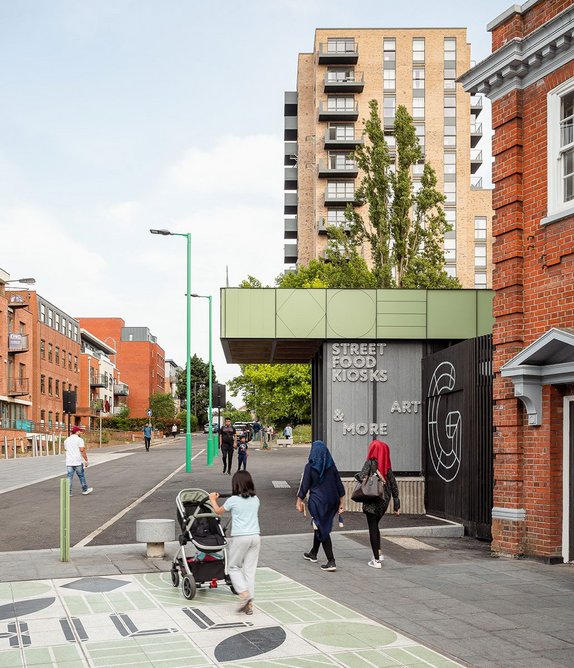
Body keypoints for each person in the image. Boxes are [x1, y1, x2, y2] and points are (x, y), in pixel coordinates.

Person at [209, 471, 260, 615]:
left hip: (240, 537)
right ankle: (249, 605)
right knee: (249, 570)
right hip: (255, 537)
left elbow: (218, 511)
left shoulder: (233, 500)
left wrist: (212, 499)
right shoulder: (256, 499)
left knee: (233, 567)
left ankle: (244, 595)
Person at [296, 440, 345, 572]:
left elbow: (305, 485)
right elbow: (339, 485)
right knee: (319, 524)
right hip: (332, 501)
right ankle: (313, 553)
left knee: (321, 527)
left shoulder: (310, 467)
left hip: (318, 502)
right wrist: (341, 502)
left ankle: (331, 561)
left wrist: (299, 501)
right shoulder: (331, 466)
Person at [355, 440, 400, 569]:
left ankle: (376, 560)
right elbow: (393, 484)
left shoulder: (370, 463)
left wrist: (358, 476)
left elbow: (361, 476)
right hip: (384, 500)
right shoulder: (387, 466)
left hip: (372, 499)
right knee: (375, 525)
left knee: (372, 528)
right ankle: (379, 554)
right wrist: (397, 503)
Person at [65, 426, 93, 497]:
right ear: (77, 431)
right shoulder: (79, 440)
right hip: (77, 461)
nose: (81, 432)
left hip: (69, 461)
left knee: (69, 477)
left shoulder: (66, 440)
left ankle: (68, 492)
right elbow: (82, 450)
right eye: (80, 431)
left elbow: (66, 449)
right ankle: (85, 490)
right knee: (81, 476)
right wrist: (86, 460)